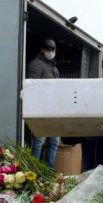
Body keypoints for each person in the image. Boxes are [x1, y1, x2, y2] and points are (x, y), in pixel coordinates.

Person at [27, 38, 60, 167]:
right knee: (39, 140)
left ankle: (49, 170)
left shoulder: (53, 67)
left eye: (53, 49)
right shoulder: (36, 64)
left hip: (54, 110)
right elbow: (31, 87)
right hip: (41, 109)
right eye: (49, 49)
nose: (51, 52)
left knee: (54, 141)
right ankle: (34, 170)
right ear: (42, 50)